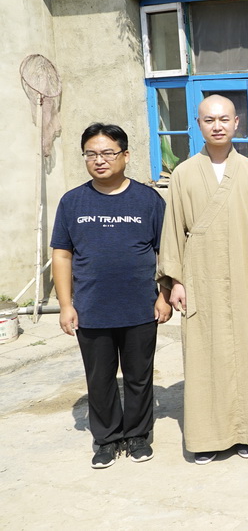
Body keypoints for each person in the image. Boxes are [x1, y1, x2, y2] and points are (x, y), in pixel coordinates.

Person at [158, 95, 248, 464]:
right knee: (203, 351)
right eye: (209, 119)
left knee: (246, 347)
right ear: (198, 124)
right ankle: (207, 437)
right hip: (200, 273)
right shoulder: (183, 174)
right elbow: (174, 228)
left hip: (244, 271)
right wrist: (174, 280)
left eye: (224, 118)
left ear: (237, 122)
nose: (217, 125)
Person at [52, 123, 171, 468]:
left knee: (138, 376)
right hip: (92, 308)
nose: (99, 160)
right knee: (99, 378)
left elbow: (168, 251)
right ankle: (106, 439)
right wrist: (65, 305)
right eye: (91, 154)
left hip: (140, 307)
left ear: (125, 155)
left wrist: (163, 294)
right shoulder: (73, 201)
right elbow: (62, 254)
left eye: (107, 153)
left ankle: (136, 435)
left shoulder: (148, 199)